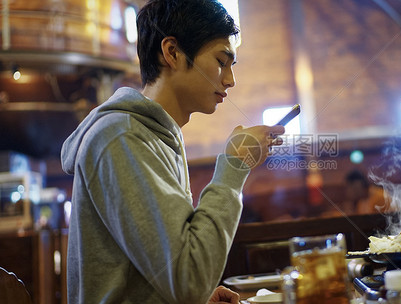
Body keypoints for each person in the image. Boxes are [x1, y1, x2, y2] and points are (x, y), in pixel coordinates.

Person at [60, 0, 285, 303]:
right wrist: (234, 166)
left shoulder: (156, 136)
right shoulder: (121, 137)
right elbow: (188, 280)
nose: (230, 80)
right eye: (221, 61)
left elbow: (170, 274)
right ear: (173, 52)